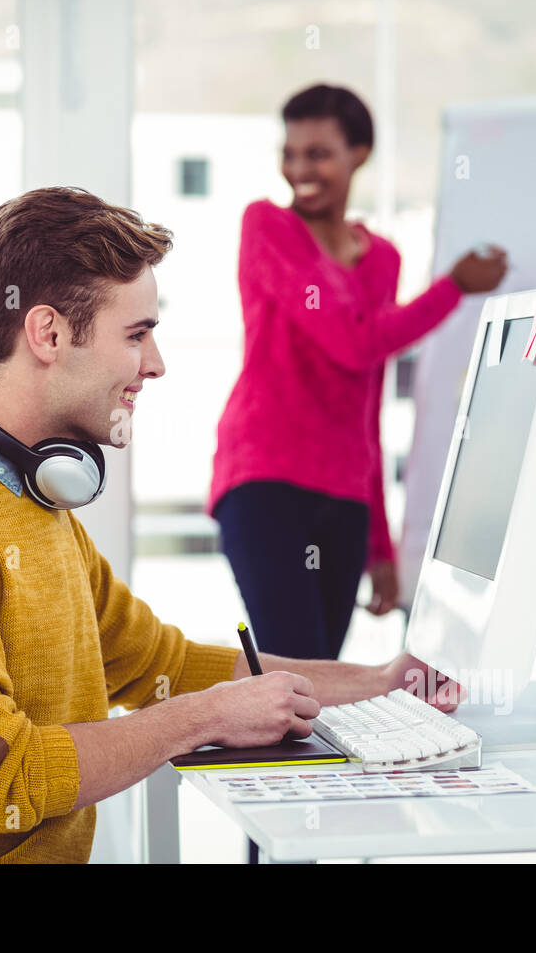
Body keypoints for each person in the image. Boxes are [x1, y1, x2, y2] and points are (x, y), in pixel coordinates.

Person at [0, 186, 462, 864]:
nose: (155, 363)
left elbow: (163, 667)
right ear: (48, 334)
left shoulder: (33, 502)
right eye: (136, 334)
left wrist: (381, 681)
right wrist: (206, 717)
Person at [207, 83, 508, 661]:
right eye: (290, 153)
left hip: (345, 493)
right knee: (300, 670)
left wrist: (381, 544)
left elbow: (364, 392)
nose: (300, 169)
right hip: (265, 478)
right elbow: (350, 341)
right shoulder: (268, 227)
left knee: (324, 675)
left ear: (359, 154)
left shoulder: (382, 258)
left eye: (318, 154)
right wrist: (452, 289)